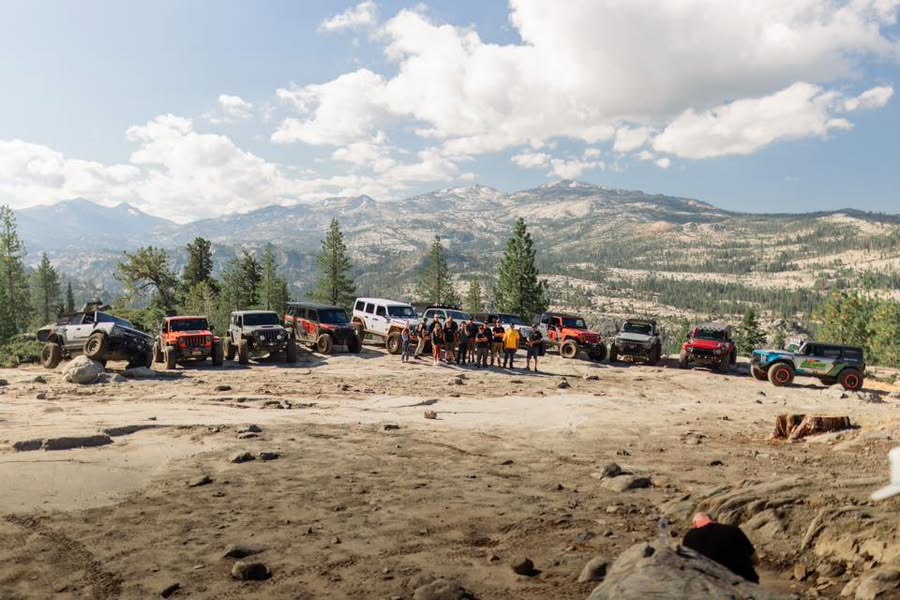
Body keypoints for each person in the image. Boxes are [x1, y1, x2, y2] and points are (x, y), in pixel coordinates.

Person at [682, 513, 759, 583]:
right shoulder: (733, 530)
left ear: (695, 524)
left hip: (714, 585)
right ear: (712, 520)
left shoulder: (689, 537)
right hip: (747, 581)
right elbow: (756, 560)